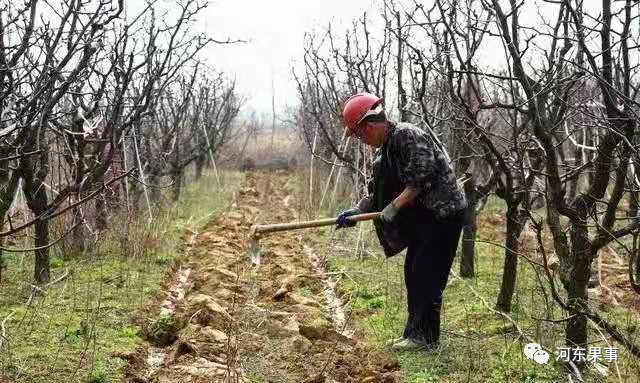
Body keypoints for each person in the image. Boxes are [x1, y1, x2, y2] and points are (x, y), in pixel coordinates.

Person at [336, 92, 466, 351]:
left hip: (443, 214)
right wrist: (357, 211)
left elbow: (421, 179)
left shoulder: (408, 136)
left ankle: (425, 338)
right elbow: (377, 192)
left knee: (427, 273)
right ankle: (414, 334)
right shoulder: (383, 153)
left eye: (361, 135)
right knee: (414, 272)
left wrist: (394, 207)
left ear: (371, 125)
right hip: (424, 218)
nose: (362, 141)